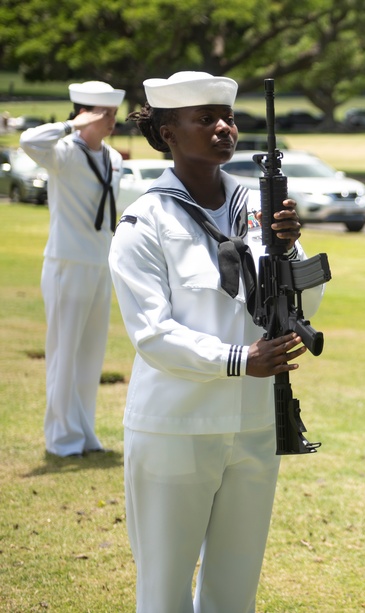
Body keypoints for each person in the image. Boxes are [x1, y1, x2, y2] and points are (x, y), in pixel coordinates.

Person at [108, 71, 324, 611]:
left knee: (235, 588)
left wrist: (289, 254)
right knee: (165, 587)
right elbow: (152, 334)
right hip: (177, 427)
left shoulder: (257, 210)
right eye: (205, 119)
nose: (224, 128)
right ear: (167, 133)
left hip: (254, 423)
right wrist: (237, 359)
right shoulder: (144, 220)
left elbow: (302, 308)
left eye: (228, 118)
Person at [20, 81, 125, 457]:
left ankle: (84, 431)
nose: (112, 120)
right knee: (64, 351)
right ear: (84, 114)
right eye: (104, 114)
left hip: (100, 262)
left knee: (90, 353)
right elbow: (29, 140)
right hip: (67, 261)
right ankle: (61, 438)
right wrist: (73, 125)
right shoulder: (62, 152)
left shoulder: (114, 158)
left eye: (113, 113)